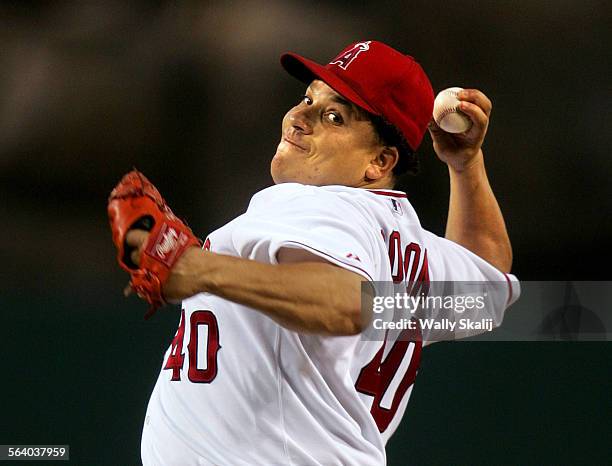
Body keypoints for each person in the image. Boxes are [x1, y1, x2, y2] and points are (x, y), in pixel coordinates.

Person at [124, 40, 519, 465]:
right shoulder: (404, 242)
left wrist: (200, 268)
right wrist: (466, 165)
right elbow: (486, 287)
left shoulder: (318, 204)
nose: (299, 117)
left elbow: (349, 304)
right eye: (308, 98)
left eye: (334, 117)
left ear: (379, 162)